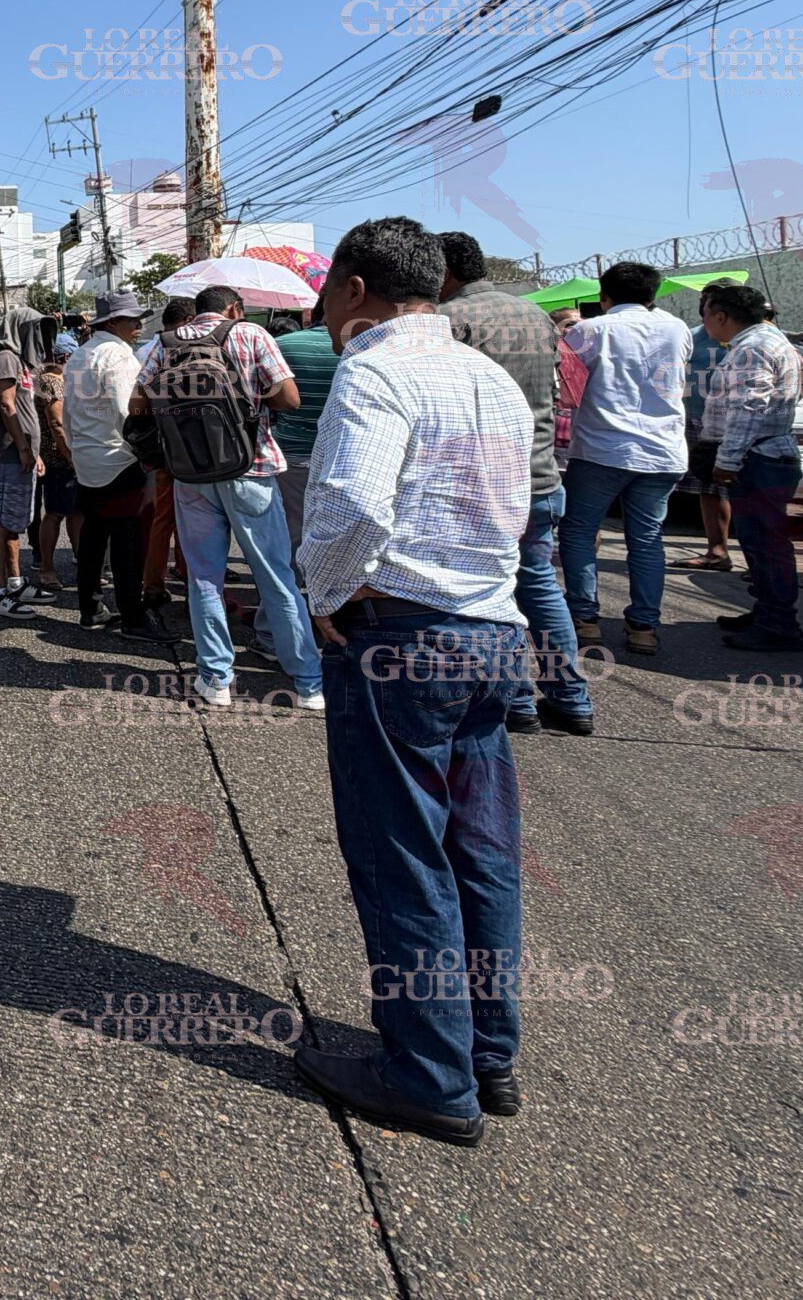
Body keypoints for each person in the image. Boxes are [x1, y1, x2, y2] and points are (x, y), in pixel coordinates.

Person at [294, 216, 537, 1147]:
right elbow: (514, 509)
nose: (323, 310)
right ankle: (486, 1052)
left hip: (402, 631)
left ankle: (427, 1074)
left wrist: (324, 590)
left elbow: (356, 499)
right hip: (492, 631)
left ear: (354, 288)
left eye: (327, 291)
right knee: (482, 853)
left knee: (402, 855)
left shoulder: (375, 369)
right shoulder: (491, 378)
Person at [131, 286, 322, 709]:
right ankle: (308, 682)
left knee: (203, 578)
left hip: (190, 474)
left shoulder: (165, 343)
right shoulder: (251, 335)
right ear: (234, 309)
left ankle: (215, 678)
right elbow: (290, 397)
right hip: (250, 467)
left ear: (197, 312)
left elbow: (137, 404)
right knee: (275, 576)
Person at [438, 233, 589, 736]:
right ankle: (571, 698)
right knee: (540, 586)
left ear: (444, 272)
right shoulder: (536, 316)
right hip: (540, 475)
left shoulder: (448, 321)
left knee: (489, 594)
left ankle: (516, 701)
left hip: (479, 484)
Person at [560, 260, 692, 658]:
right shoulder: (677, 328)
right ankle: (644, 628)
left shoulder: (588, 330)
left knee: (580, 532)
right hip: (663, 451)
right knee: (648, 540)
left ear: (604, 296)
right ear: (653, 296)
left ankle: (585, 619)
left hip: (602, 449)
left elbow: (567, 390)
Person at [699, 282, 803, 653]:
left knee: (766, 546)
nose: (705, 324)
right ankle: (767, 612)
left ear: (720, 316)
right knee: (759, 544)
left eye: (706, 315)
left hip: (758, 457)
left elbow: (749, 408)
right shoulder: (772, 341)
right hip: (767, 454)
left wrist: (727, 460)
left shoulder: (753, 348)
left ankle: (779, 624)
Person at [62, 293, 156, 637]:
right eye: (133, 320)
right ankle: (133, 616)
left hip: (87, 457)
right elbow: (126, 411)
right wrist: (145, 452)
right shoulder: (118, 356)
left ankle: (90, 607)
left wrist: (75, 449)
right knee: (127, 543)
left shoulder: (78, 355)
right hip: (119, 458)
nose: (138, 326)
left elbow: (69, 410)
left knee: (93, 537)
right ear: (114, 322)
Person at [0, 312, 51, 618]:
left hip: (21, 453)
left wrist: (34, 450)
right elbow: (7, 405)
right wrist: (22, 446)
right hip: (8, 453)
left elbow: (23, 407)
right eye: (36, 329)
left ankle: (16, 583)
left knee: (15, 521)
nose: (41, 336)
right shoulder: (5, 358)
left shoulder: (18, 359)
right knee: (2, 522)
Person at [138, 297, 198, 610]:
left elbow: (138, 401)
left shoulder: (151, 349)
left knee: (163, 519)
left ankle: (153, 585)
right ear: (189, 319)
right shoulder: (208, 347)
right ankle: (194, 585)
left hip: (164, 448)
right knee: (197, 521)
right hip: (203, 452)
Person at [272, 307, 342, 545]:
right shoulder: (359, 348)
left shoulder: (280, 345)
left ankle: (294, 578)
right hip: (342, 451)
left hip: (293, 449)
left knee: (293, 521)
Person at [678, 287, 735, 576]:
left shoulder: (751, 339)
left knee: (741, 492)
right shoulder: (690, 337)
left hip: (738, 424)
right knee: (709, 490)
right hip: (700, 421)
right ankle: (717, 550)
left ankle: (756, 559)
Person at [29, 331, 79, 597]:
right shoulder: (52, 381)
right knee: (57, 513)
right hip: (59, 457)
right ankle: (47, 568)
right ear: (65, 356)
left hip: (58, 455)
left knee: (74, 512)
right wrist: (71, 457)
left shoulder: (44, 378)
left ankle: (82, 562)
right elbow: (57, 424)